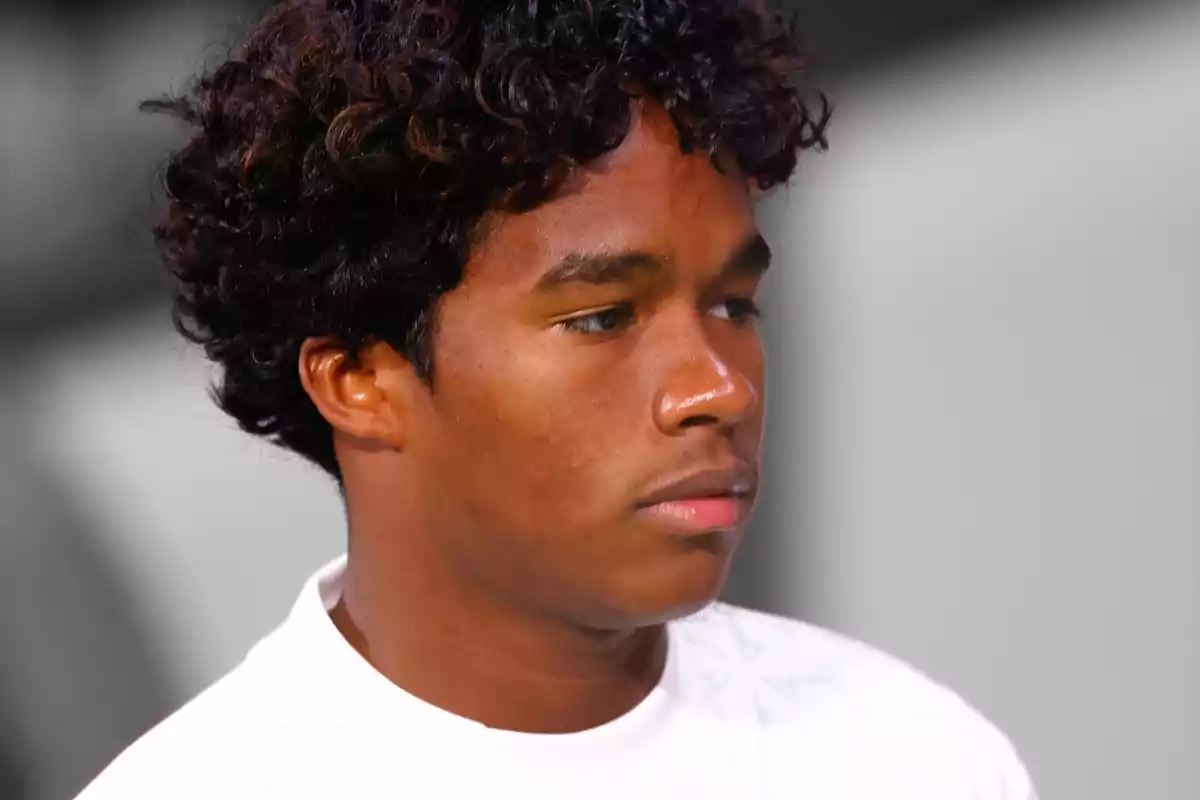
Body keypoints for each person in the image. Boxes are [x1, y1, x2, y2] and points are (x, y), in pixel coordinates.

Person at [78, 0, 1036, 797]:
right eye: (602, 318)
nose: (718, 387)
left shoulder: (908, 754)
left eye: (734, 304)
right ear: (359, 379)